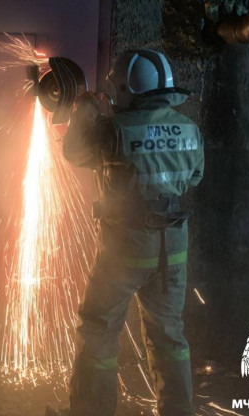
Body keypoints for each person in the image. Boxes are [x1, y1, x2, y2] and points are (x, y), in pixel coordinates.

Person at [63, 50, 204, 416]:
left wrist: (86, 109)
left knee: (99, 327)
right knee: (169, 334)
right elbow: (194, 177)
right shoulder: (189, 130)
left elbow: (75, 151)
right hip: (172, 249)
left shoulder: (115, 130)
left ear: (129, 88)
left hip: (126, 248)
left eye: (116, 89)